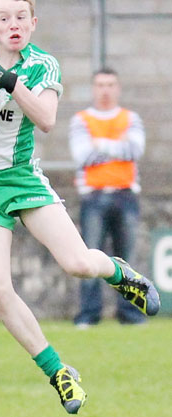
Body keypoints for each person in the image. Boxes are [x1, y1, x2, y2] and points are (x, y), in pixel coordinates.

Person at [0, 0, 160, 415]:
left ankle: (120, 273)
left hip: (22, 180)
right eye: (4, 18)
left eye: (21, 17)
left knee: (78, 264)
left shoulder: (42, 65)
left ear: (33, 23)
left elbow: (45, 119)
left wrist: (8, 81)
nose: (13, 25)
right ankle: (58, 371)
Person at [69, 68, 147, 328]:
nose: (105, 90)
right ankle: (88, 315)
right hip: (93, 196)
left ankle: (131, 314)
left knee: (128, 259)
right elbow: (82, 156)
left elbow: (134, 150)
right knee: (89, 258)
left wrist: (98, 144)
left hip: (125, 196)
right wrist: (116, 146)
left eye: (110, 84)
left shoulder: (131, 118)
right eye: (101, 84)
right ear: (94, 88)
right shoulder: (80, 120)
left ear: (118, 88)